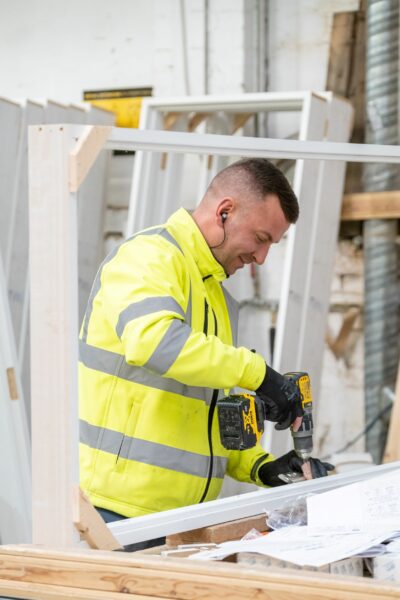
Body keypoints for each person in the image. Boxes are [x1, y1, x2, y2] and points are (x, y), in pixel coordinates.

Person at [79, 158, 333, 548]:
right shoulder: (148, 258)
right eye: (261, 238)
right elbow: (155, 343)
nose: (261, 258)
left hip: (183, 522)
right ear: (224, 212)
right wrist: (260, 374)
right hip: (116, 517)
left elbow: (207, 410)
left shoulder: (216, 295)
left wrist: (261, 467)